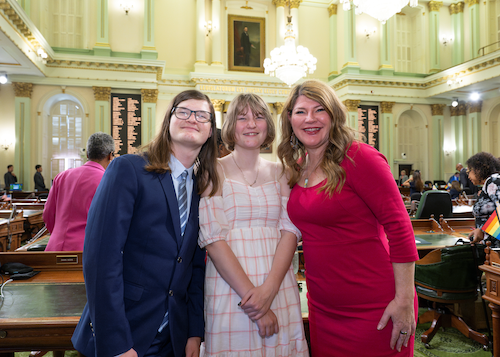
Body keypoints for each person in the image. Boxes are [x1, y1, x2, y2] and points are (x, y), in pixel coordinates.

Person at [71, 90, 219, 357]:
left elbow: (194, 266)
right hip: (125, 331)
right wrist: (117, 344)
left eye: (202, 115)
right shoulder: (129, 169)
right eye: (183, 111)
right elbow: (101, 258)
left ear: (210, 131)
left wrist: (194, 331)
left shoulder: (201, 187)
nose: (192, 119)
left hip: (172, 337)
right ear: (169, 120)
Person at [277, 80, 418, 356]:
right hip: (323, 307)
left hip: (375, 306)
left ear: (334, 115)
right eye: (300, 111)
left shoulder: (360, 157)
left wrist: (403, 299)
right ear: (290, 120)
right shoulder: (297, 169)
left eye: (319, 110)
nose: (310, 119)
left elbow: (400, 229)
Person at [198, 93, 309, 356]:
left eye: (259, 117)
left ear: (268, 126)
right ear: (230, 126)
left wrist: (269, 291)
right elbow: (213, 239)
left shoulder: (283, 171)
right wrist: (256, 303)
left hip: (277, 283)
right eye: (242, 117)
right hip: (231, 288)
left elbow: (289, 231)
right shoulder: (212, 170)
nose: (251, 124)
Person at [43, 133, 115, 252]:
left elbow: (48, 215)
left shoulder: (61, 176)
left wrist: (58, 234)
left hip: (54, 248)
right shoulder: (108, 181)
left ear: (87, 154)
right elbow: (111, 223)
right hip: (87, 251)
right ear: (110, 155)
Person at [465, 152, 500, 247]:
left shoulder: (493, 181)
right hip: (491, 242)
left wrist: (483, 230)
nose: (468, 177)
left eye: (469, 172)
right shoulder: (488, 184)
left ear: (478, 169)